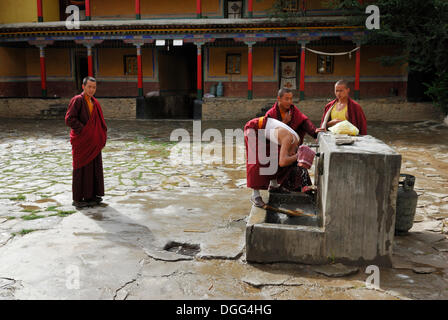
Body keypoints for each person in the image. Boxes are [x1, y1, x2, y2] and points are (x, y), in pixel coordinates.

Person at [262, 88, 323, 195]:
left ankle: (304, 185)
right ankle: (281, 185)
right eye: (287, 99)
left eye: (291, 99)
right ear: (279, 99)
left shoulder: (293, 110)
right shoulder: (271, 114)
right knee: (287, 159)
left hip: (291, 145)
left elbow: (304, 121)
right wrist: (284, 123)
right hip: (276, 147)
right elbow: (268, 134)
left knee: (299, 156)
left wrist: (315, 132)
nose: (290, 102)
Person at [65, 77, 107, 208]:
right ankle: (78, 198)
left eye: (94, 87)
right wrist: (84, 131)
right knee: (81, 169)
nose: (91, 90)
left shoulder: (95, 102)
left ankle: (92, 196)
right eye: (89, 87)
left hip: (93, 143)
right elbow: (69, 119)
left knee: (94, 168)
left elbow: (99, 122)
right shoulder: (77, 100)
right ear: (83, 87)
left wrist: (98, 134)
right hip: (82, 141)